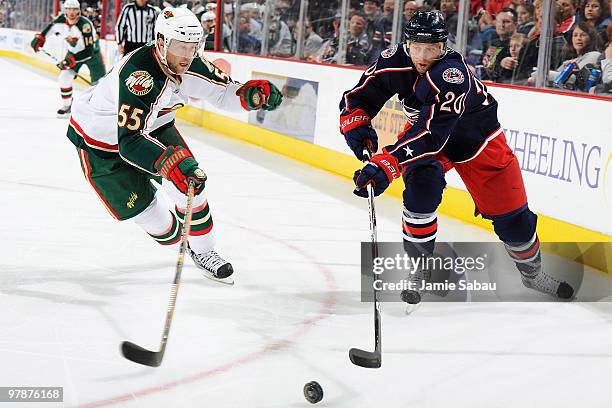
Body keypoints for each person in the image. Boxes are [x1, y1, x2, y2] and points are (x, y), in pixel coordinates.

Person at [338, 11, 574, 302]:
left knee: (515, 221)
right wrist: (356, 124)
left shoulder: (451, 74)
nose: (423, 56)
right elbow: (358, 98)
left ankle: (533, 274)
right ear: (407, 44)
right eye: (417, 47)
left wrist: (389, 162)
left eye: (432, 48)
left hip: (478, 140)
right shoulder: (392, 61)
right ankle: (421, 266)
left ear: (444, 46)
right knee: (421, 190)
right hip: (426, 136)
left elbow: (432, 134)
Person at [65, 7, 282, 281]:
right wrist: (168, 162)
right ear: (161, 42)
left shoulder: (192, 63)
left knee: (190, 183)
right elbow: (130, 141)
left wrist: (248, 95)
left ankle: (204, 251)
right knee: (165, 232)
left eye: (193, 47)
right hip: (100, 146)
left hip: (154, 128)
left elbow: (222, 92)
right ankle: (183, 236)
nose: (188, 56)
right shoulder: (139, 76)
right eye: (180, 47)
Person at [30, 0, 106, 116]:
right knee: (64, 77)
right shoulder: (59, 21)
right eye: (69, 9)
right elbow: (47, 31)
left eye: (74, 9)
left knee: (99, 84)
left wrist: (71, 60)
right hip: (72, 54)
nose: (71, 12)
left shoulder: (85, 25)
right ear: (64, 10)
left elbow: (89, 51)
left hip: (92, 55)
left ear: (79, 11)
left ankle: (99, 108)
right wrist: (39, 39)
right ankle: (67, 105)